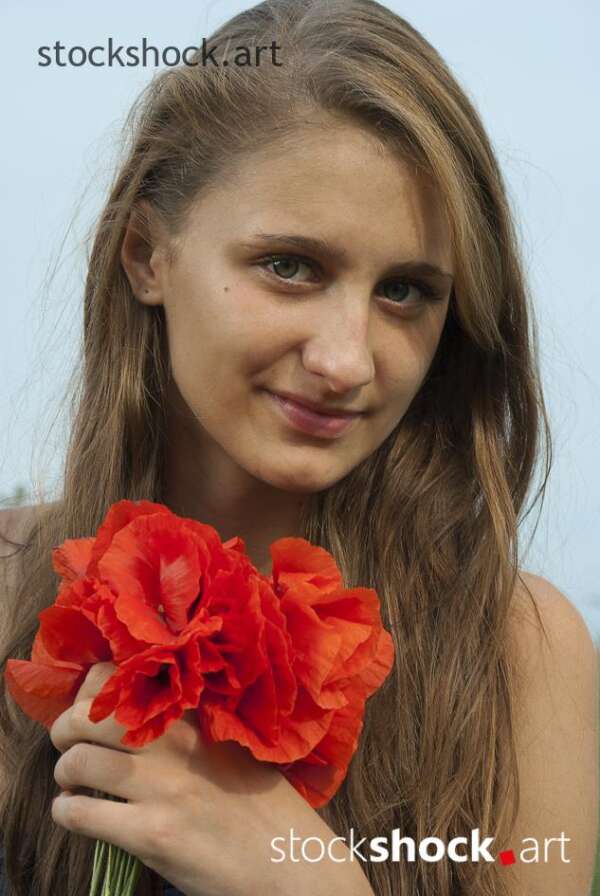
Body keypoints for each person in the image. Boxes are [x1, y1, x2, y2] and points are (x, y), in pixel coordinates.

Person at [0, 0, 598, 893]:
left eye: (405, 291)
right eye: (290, 266)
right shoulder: (11, 586)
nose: (347, 359)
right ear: (145, 255)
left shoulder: (519, 652)